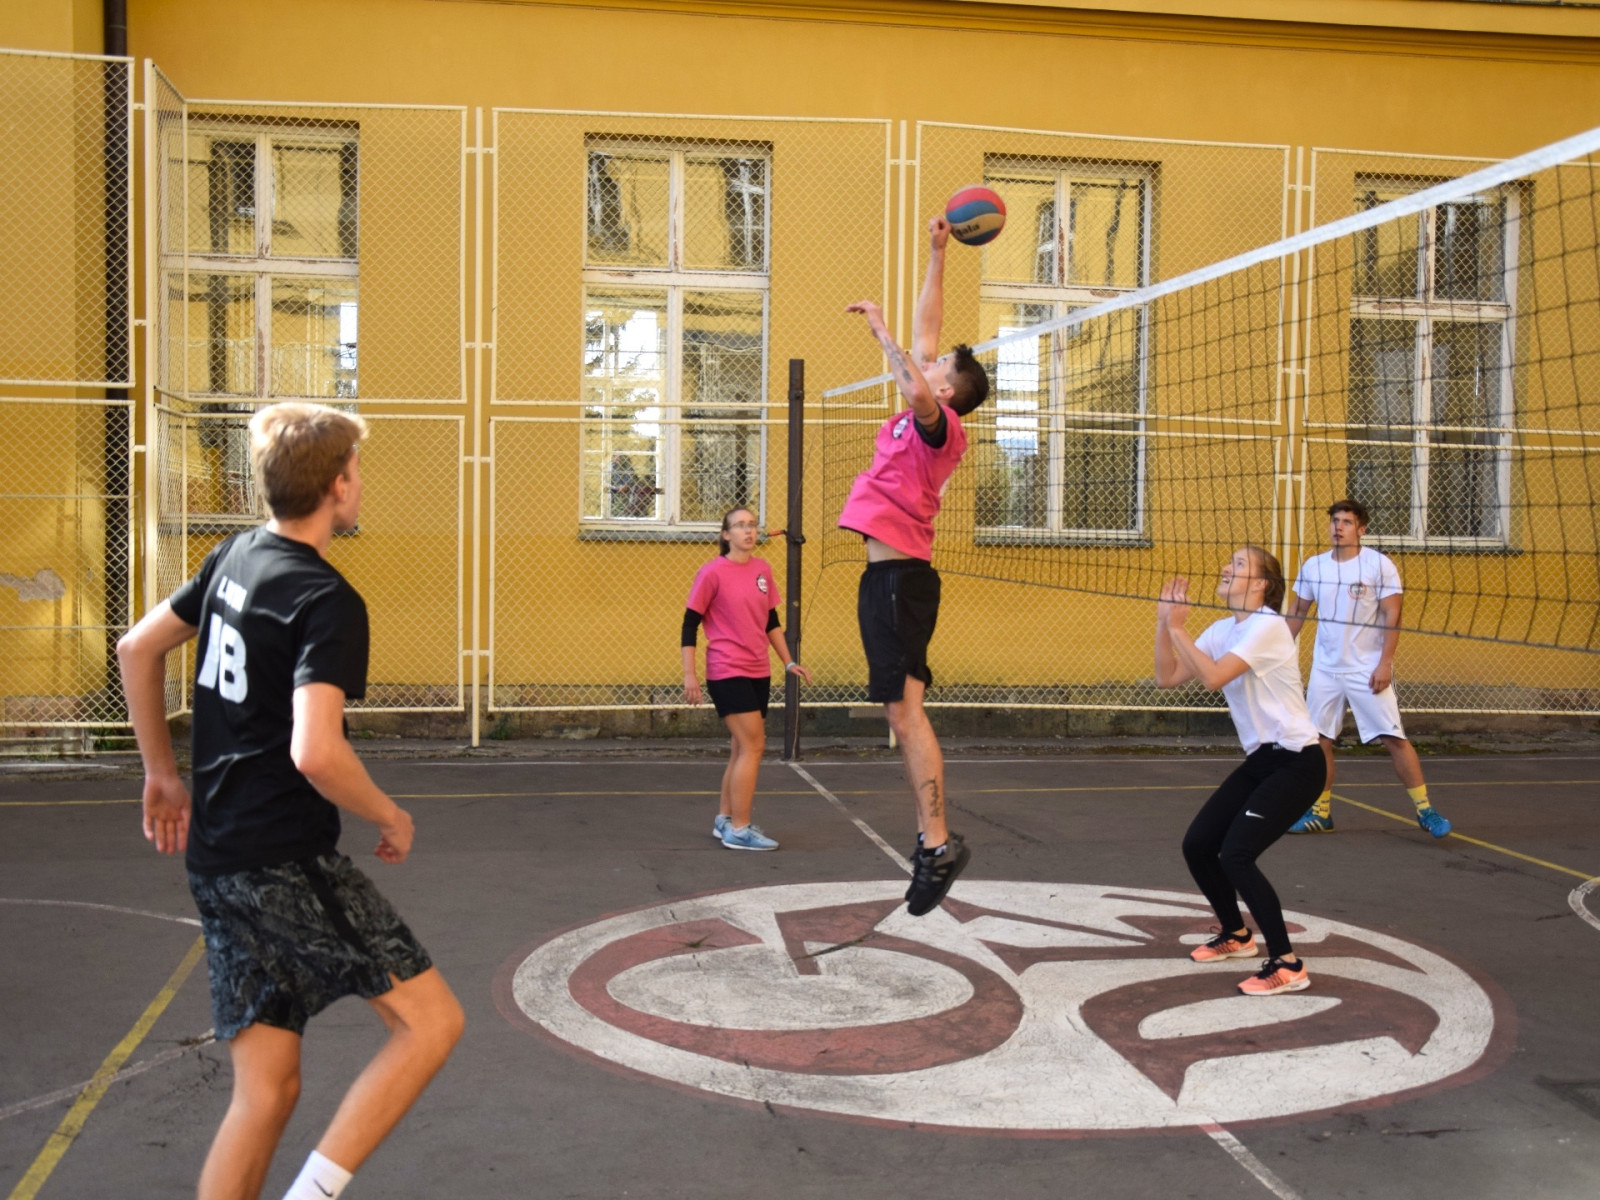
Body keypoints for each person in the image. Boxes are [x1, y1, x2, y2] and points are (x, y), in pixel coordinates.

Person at [116, 403, 463, 1200]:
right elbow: (316, 751)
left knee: (267, 1090)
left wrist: (161, 772)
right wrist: (389, 814)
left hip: (218, 860)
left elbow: (136, 648)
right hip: (281, 861)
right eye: (357, 473)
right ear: (338, 486)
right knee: (432, 1023)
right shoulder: (325, 600)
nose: (360, 484)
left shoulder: (234, 555)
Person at [840, 214, 990, 916]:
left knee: (906, 715)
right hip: (887, 579)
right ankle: (931, 839)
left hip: (901, 581)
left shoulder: (942, 427)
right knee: (901, 714)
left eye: (937, 369)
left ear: (949, 392)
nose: (926, 361)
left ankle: (937, 843)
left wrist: (880, 332)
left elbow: (918, 384)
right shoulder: (927, 407)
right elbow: (929, 333)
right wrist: (937, 253)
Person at [1155, 547, 1326, 996]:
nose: (1227, 568)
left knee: (1236, 854)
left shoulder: (1268, 626)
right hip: (1262, 761)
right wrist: (1164, 624)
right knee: (1198, 845)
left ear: (1262, 584)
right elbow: (1167, 677)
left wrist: (1178, 628)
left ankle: (1288, 964)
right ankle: (1236, 934)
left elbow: (1214, 678)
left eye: (1240, 564)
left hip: (1297, 761)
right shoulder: (1222, 630)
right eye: (1230, 562)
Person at [1284, 499, 1450, 838]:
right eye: (1335, 520)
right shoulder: (1314, 566)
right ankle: (1321, 813)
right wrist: (1275, 653)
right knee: (1318, 742)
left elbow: (1393, 616)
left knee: (1394, 738)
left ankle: (1426, 811)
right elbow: (1298, 612)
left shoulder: (1379, 565)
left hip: (1367, 670)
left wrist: (1385, 663)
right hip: (1326, 670)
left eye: (1346, 522)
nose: (1338, 527)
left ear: (1361, 529)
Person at [682, 507, 812, 850]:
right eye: (740, 525)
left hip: (758, 670)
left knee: (741, 747)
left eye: (752, 524)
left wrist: (788, 661)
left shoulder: (762, 570)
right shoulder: (712, 572)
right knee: (754, 746)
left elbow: (771, 621)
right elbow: (689, 624)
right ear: (726, 535)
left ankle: (725, 819)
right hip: (727, 669)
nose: (748, 530)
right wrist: (689, 675)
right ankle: (740, 830)